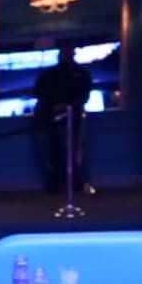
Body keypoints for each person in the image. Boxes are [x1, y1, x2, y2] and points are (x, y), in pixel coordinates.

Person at [32, 44, 93, 194]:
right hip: (49, 118)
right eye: (64, 54)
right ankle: (54, 184)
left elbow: (84, 96)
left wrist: (68, 106)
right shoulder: (49, 75)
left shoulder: (81, 74)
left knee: (74, 150)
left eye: (68, 54)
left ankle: (75, 183)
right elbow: (38, 92)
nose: (66, 57)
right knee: (52, 150)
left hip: (73, 118)